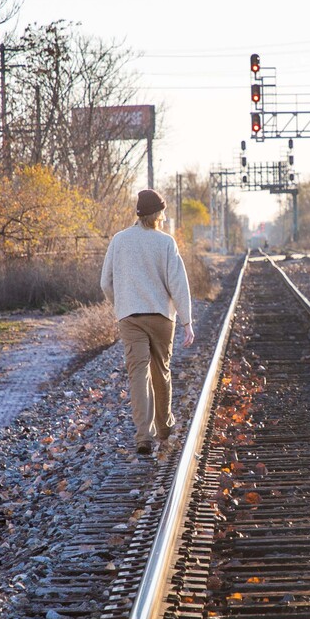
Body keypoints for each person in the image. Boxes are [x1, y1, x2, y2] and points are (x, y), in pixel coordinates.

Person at [99, 188, 195, 455]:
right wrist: (187, 321)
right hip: (162, 317)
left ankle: (144, 436)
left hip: (130, 318)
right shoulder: (165, 242)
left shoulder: (119, 240)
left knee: (138, 374)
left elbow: (105, 282)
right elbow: (178, 284)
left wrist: (121, 304)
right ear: (158, 214)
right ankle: (164, 428)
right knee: (160, 371)